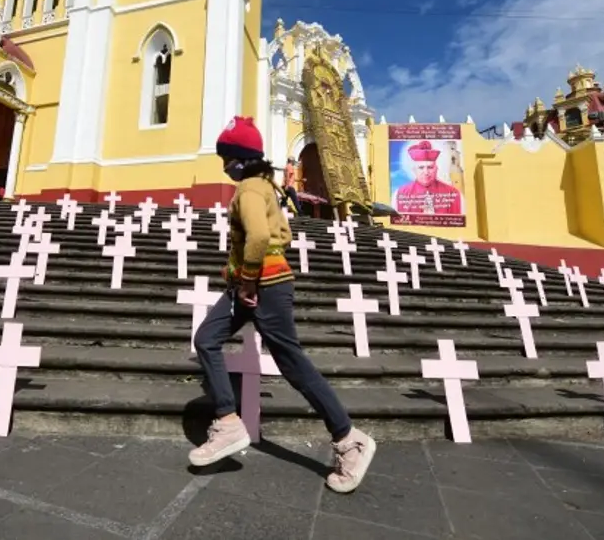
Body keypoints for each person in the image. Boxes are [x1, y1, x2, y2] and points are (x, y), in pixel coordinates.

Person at [189, 116, 375, 494]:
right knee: (207, 339)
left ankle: (350, 439)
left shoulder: (250, 190)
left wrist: (249, 279)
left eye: (226, 157)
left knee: (293, 364)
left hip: (264, 287)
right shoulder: (265, 187)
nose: (223, 166)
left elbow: (258, 235)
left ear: (240, 158)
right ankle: (228, 422)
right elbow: (283, 233)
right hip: (252, 285)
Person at [392, 140, 462, 215]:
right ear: (414, 170)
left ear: (436, 169)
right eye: (421, 167)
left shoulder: (454, 194)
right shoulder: (399, 194)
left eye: (430, 167)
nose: (426, 172)